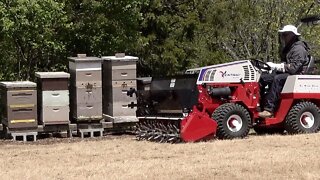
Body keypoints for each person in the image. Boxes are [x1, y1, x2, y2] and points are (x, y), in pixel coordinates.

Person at [259, 25, 310, 118]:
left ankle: (269, 109)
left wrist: (276, 66)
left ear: (293, 35)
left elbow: (293, 68)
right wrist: (271, 68)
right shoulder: (289, 48)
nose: (283, 37)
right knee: (263, 78)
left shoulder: (299, 49)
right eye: (282, 35)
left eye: (285, 34)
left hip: (296, 75)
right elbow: (286, 64)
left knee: (277, 79)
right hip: (289, 73)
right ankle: (259, 105)